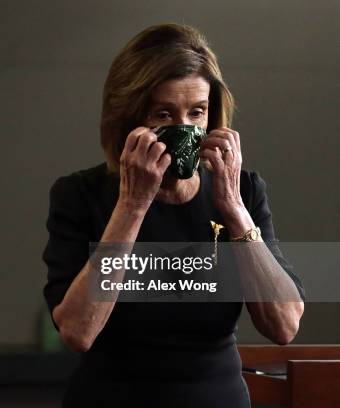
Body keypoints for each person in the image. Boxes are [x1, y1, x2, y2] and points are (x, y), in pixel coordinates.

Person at [42, 23, 305, 407]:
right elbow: (78, 332)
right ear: (128, 119)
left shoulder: (243, 191)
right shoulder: (80, 195)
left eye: (196, 113)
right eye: (164, 115)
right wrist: (132, 205)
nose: (184, 129)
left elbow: (283, 326)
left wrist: (233, 207)